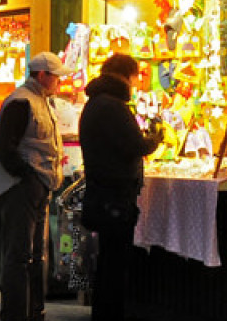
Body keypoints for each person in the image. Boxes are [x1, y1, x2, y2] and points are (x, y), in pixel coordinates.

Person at [78, 53, 164, 321]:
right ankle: (111, 314)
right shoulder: (113, 107)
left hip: (101, 193)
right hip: (115, 197)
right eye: (136, 77)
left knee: (107, 260)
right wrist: (155, 137)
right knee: (114, 263)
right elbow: (134, 145)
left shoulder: (94, 105)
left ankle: (103, 313)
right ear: (127, 76)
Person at [0, 51, 71, 321]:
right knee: (20, 255)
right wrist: (26, 175)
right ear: (42, 75)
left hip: (37, 184)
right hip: (23, 187)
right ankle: (16, 314)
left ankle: (33, 311)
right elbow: (5, 147)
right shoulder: (21, 101)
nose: (59, 81)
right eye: (56, 76)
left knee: (35, 256)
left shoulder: (41, 102)